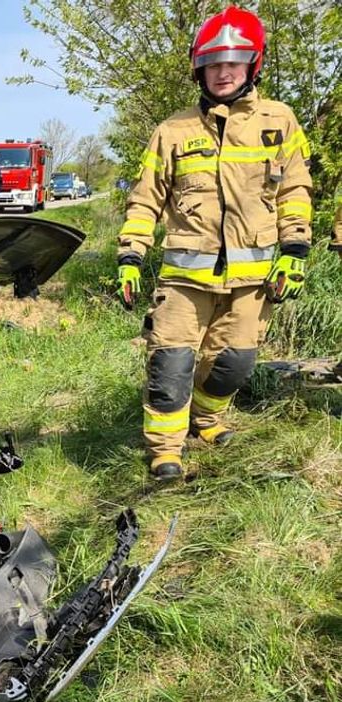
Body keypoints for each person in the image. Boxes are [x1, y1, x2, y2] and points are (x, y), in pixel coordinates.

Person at [115, 5, 312, 481]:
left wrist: (295, 251)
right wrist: (130, 256)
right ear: (198, 67)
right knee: (171, 365)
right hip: (184, 279)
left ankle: (207, 420)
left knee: (234, 364)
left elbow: (295, 191)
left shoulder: (279, 121)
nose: (223, 73)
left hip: (252, 277)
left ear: (252, 65)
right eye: (213, 63)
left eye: (233, 62)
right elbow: (145, 201)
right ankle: (166, 448)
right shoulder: (172, 131)